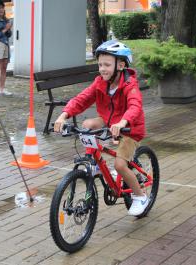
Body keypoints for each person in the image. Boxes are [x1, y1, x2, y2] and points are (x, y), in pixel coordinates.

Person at [54, 40, 148, 216]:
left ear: (120, 65)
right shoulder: (100, 82)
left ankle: (140, 195)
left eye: (107, 64)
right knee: (87, 125)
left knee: (120, 165)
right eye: (100, 64)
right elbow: (82, 99)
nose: (102, 68)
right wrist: (64, 115)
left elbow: (135, 106)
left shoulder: (130, 85)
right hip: (109, 121)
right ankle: (95, 162)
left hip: (130, 127)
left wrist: (122, 123)